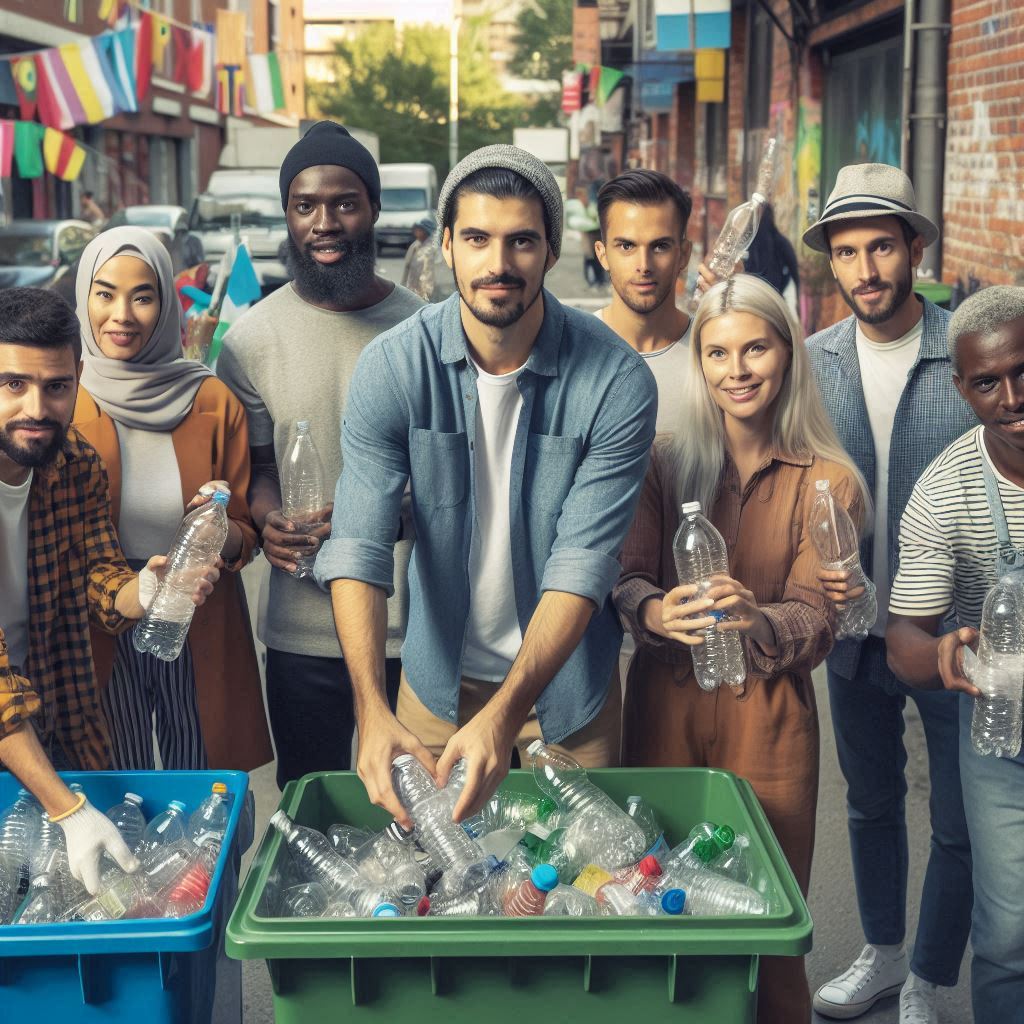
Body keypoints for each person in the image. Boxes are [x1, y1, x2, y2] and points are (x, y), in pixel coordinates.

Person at [316, 145, 657, 828]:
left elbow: (581, 567)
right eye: (476, 238)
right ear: (446, 244)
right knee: (433, 896)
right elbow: (357, 543)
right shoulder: (394, 366)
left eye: (521, 241)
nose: (497, 264)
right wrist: (372, 711)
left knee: (575, 896)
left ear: (551, 250)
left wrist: (506, 717)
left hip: (571, 695)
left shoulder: (616, 380)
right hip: (433, 690)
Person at [613, 272, 869, 1024]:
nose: (738, 371)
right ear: (699, 365)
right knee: (658, 903)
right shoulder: (659, 462)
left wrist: (758, 621)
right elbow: (624, 581)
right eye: (718, 354)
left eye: (755, 348)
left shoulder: (831, 482)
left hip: (771, 721)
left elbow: (817, 616)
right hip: (664, 707)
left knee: (768, 917)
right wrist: (659, 611)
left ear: (787, 352)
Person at [803, 163, 975, 1024]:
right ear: (830, 263)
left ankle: (932, 981)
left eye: (880, 246)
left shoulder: (966, 353)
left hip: (954, 633)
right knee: (869, 801)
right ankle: (881, 953)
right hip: (851, 631)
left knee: (956, 817)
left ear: (915, 247)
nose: (865, 269)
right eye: (846, 251)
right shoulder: (812, 362)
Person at [217, 121, 424, 789]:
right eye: (305, 205)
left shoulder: (427, 329)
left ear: (373, 210)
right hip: (302, 629)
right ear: (287, 215)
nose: (324, 222)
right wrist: (269, 517)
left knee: (422, 819)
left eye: (344, 202)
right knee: (317, 810)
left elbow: (458, 478)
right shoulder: (249, 342)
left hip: (416, 627)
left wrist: (389, 520)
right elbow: (259, 471)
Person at [0, 287, 219, 894]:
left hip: (55, 720)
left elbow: (101, 580)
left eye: (56, 387)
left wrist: (145, 592)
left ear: (78, 379)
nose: (35, 408)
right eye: (12, 384)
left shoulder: (74, 463)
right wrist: (68, 811)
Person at [72, 227, 272, 773]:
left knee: (203, 785)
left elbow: (243, 532)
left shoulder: (209, 399)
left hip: (195, 608)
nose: (122, 315)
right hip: (100, 614)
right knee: (117, 783)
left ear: (165, 304)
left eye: (143, 296)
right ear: (83, 297)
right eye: (105, 293)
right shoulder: (62, 398)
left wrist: (218, 527)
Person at [886, 287, 1024, 1024]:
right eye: (987, 382)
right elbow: (903, 636)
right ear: (960, 386)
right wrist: (937, 653)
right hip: (1003, 736)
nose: (1011, 398)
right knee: (1007, 937)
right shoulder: (947, 489)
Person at [593, 169, 693, 435]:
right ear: (602, 255)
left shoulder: (717, 355)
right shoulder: (571, 349)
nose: (644, 265)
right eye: (626, 246)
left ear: (683, 255)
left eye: (660, 246)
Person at [742, 203, 800, 312]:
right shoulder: (748, 242)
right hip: (754, 300)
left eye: (760, 214)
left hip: (772, 300)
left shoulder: (779, 242)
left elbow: (793, 271)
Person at [401, 215, 437, 301]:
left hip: (426, 292)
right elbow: (407, 266)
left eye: (419, 229)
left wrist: (427, 292)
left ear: (426, 230)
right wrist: (403, 286)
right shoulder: (415, 245)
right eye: (415, 229)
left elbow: (429, 272)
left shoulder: (431, 249)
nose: (415, 231)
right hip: (413, 288)